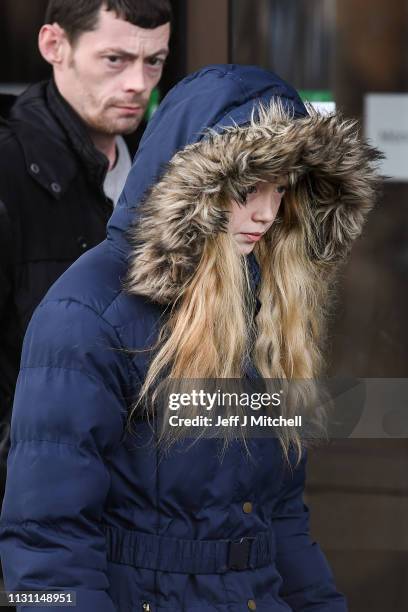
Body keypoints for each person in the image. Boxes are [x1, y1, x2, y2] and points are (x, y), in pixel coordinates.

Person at [0, 65, 380, 611]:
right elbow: (45, 549)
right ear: (192, 186)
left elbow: (281, 522)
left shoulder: (263, 308)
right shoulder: (86, 313)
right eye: (249, 187)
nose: (268, 213)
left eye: (283, 189)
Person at [0, 0, 172, 497]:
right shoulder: (9, 174)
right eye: (115, 60)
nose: (139, 83)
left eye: (154, 61)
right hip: (32, 505)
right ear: (55, 46)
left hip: (129, 505)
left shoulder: (160, 179)